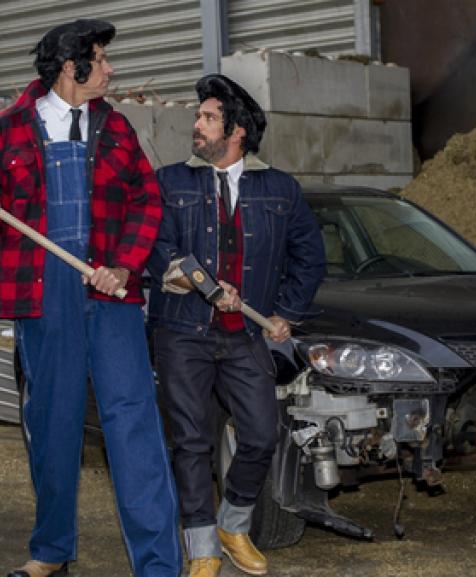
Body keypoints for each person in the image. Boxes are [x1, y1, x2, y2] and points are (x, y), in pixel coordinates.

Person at [0, 19, 182, 577]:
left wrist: (123, 267)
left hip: (110, 291)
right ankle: (51, 550)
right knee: (52, 424)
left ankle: (158, 564)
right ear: (70, 68)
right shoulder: (10, 129)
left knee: (132, 425)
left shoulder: (117, 128)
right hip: (42, 294)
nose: (110, 69)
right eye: (101, 59)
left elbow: (147, 203)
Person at [147, 74, 326, 577]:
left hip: (246, 336)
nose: (196, 125)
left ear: (237, 131)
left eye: (207, 118)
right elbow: (155, 249)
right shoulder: (171, 182)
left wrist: (285, 314)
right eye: (198, 117)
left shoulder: (280, 190)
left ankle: (234, 523)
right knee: (191, 441)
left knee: (261, 435)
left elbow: (309, 260)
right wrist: (198, 283)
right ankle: (202, 547)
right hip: (182, 333)